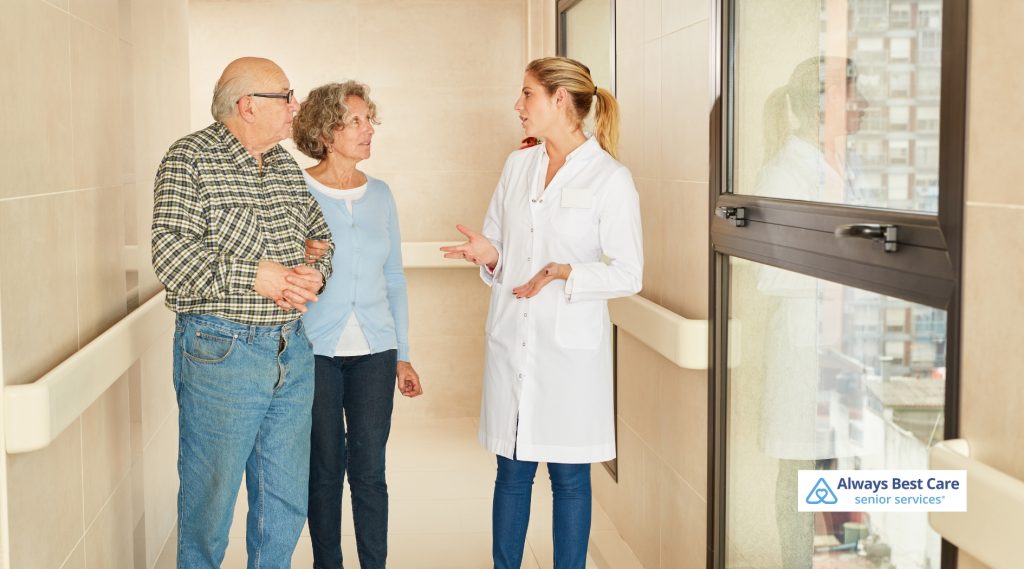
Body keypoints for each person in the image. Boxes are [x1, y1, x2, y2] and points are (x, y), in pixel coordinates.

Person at [441, 57, 643, 569]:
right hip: (514, 341)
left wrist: (566, 272)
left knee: (570, 479)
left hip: (570, 353)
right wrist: (490, 255)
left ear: (559, 100)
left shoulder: (609, 179)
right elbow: (503, 244)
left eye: (526, 94)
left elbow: (628, 273)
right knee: (511, 472)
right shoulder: (518, 166)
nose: (517, 105)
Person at [151, 57, 334, 568]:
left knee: (283, 502)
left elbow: (321, 242)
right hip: (220, 351)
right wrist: (258, 274)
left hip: (290, 351)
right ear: (247, 105)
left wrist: (316, 274)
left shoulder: (283, 167)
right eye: (286, 95)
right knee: (210, 504)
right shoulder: (189, 159)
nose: (296, 105)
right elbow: (171, 256)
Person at [294, 80, 424, 569]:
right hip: (314, 352)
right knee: (325, 470)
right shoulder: (296, 187)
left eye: (370, 120)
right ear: (328, 132)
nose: (369, 130)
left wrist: (403, 354)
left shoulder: (381, 194)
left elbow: (393, 278)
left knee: (370, 471)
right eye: (357, 121)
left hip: (375, 352)